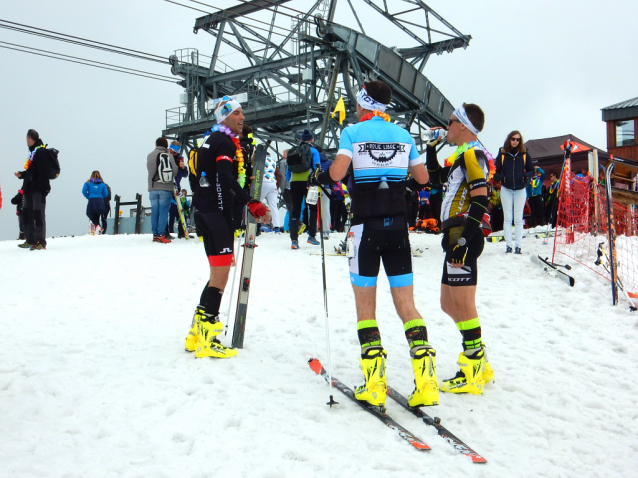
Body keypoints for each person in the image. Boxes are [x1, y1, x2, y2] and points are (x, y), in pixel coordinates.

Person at [312, 80, 438, 409]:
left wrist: (321, 175)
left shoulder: (352, 132)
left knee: (366, 308)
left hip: (364, 228)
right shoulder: (403, 134)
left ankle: (374, 384)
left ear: (364, 104)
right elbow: (423, 178)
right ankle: (427, 382)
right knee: (407, 305)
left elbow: (337, 173)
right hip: (398, 228)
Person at [184, 96, 270, 359]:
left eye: (242, 112)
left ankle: (196, 333)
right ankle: (208, 338)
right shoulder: (224, 142)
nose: (242, 117)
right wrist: (250, 201)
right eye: (236, 113)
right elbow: (224, 175)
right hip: (217, 215)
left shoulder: (210, 139)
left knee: (215, 274)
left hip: (204, 212)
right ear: (224, 117)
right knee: (220, 277)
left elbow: (209, 175)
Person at [425, 102, 495, 395]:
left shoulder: (471, 154)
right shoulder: (462, 155)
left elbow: (481, 198)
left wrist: (464, 241)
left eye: (451, 121)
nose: (447, 126)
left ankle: (473, 367)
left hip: (462, 235)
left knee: (464, 305)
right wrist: (431, 148)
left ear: (463, 126)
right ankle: (478, 354)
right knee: (448, 303)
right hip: (454, 235)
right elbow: (435, 179)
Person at [493, 131, 534, 254]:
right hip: (506, 188)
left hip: (520, 189)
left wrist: (524, 176)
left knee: (518, 218)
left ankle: (518, 246)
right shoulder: (503, 153)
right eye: (513, 139)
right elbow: (495, 172)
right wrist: (503, 178)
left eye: (517, 139)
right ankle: (508, 245)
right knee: (507, 218)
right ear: (509, 139)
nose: (515, 141)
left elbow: (532, 170)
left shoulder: (524, 153)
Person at [15, 129, 51, 251]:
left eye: (27, 139)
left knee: (38, 214)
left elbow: (44, 172)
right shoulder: (33, 152)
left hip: (38, 190)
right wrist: (22, 175)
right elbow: (32, 173)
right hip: (29, 189)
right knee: (26, 213)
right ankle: (30, 240)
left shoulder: (40, 152)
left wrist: (40, 188)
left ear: (29, 138)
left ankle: (40, 241)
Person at [288, 129, 321, 249]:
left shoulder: (293, 151)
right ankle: (311, 236)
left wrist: (290, 182)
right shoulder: (314, 151)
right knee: (312, 208)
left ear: (301, 139)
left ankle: (294, 240)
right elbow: (317, 167)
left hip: (294, 182)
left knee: (295, 211)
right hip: (309, 183)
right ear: (312, 139)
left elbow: (288, 171)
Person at [147, 137, 178, 243]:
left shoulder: (149, 155)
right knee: (163, 212)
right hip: (165, 188)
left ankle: (155, 235)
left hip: (152, 188)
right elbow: (175, 171)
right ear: (166, 145)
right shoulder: (168, 155)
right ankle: (161, 234)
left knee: (155, 211)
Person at [260, 153, 282, 233]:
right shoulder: (273, 161)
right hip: (273, 183)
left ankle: (257, 224)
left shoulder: (260, 159)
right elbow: (278, 175)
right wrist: (277, 186)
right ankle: (277, 227)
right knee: (273, 206)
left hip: (263, 182)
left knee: (256, 203)